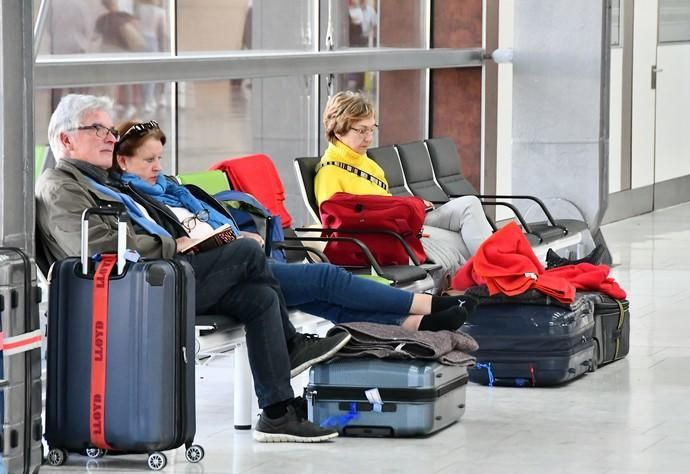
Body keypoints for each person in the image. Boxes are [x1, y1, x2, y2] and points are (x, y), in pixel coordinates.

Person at [35, 94, 350, 443]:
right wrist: (172, 245)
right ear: (66, 139)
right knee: (246, 252)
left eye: (110, 129)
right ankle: (291, 346)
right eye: (98, 129)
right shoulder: (62, 187)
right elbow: (96, 248)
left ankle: (277, 414)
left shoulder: (103, 181)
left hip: (159, 278)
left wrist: (194, 238)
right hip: (134, 292)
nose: (110, 136)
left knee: (259, 297)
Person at [110, 119, 478, 332]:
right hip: (209, 276)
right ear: (123, 163)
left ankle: (411, 323)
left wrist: (238, 236)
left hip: (236, 261)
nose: (158, 166)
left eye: (159, 157)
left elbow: (210, 222)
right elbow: (160, 245)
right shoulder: (134, 200)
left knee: (316, 296)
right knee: (325, 280)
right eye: (148, 160)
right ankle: (426, 306)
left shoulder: (174, 189)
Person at [314, 91, 496, 274]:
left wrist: (410, 207)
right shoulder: (330, 174)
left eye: (372, 129)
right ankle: (497, 277)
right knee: (466, 241)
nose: (369, 138)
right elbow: (339, 225)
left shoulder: (366, 162)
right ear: (338, 130)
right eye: (361, 130)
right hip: (391, 235)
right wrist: (406, 207)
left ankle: (496, 275)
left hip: (402, 223)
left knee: (469, 204)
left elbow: (383, 203)